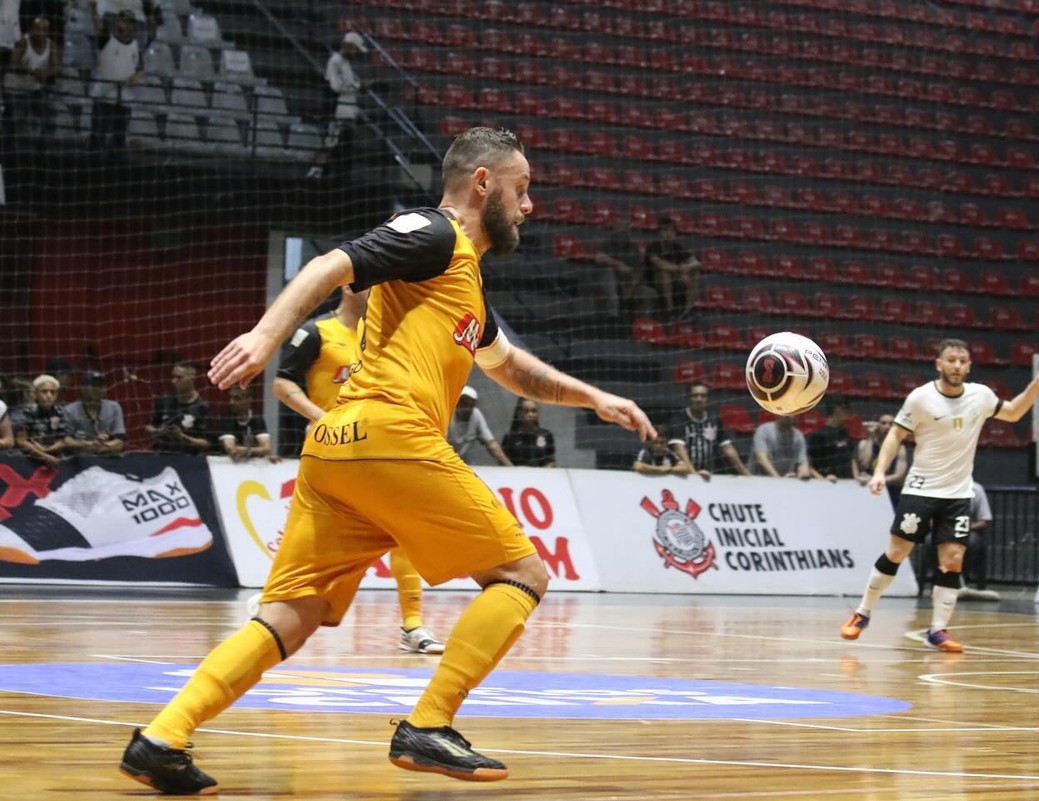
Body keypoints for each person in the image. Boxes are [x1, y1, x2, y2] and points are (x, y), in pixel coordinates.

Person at [118, 126, 655, 792]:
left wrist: (595, 397)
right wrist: (265, 333)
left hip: (336, 450)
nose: (529, 205)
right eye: (522, 188)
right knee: (522, 571)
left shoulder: (463, 282)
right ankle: (428, 723)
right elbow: (332, 264)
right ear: (482, 183)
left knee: (293, 613)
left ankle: (162, 736)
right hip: (392, 436)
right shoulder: (434, 233)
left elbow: (509, 367)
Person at [839, 339, 1039, 653]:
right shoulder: (921, 398)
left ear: (968, 367)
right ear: (939, 364)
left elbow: (1012, 413)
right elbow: (895, 435)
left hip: (957, 493)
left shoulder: (980, 396)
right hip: (920, 489)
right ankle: (863, 612)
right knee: (897, 552)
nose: (957, 365)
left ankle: (938, 630)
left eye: (962, 361)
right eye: (951, 360)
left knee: (953, 561)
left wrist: (1038, 383)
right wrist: (878, 472)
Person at [272, 285, 444, 655]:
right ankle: (276, 605)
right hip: (328, 454)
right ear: (349, 287)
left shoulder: (386, 336)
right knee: (306, 540)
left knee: (401, 532)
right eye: (372, 283)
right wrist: (320, 417)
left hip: (377, 451)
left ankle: (413, 624)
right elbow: (282, 382)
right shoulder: (316, 333)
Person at [310, 30, 369, 179]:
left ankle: (334, 176)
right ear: (349, 47)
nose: (356, 54)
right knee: (330, 143)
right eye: (355, 49)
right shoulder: (335, 61)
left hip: (346, 112)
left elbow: (347, 84)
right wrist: (358, 87)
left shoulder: (346, 63)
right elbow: (336, 86)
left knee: (343, 148)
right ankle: (316, 171)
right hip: (335, 111)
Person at [668, 383, 749, 479]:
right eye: (695, 395)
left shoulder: (714, 419)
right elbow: (679, 449)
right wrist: (694, 475)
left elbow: (728, 449)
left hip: (709, 475)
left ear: (708, 399)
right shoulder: (678, 418)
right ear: (688, 398)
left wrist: (747, 475)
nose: (699, 399)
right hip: (683, 477)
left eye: (703, 396)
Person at [87, 10, 141, 151]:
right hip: (104, 97)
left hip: (124, 99)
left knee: (118, 140)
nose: (127, 25)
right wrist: (93, 11)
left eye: (130, 23)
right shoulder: (107, 39)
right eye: (124, 21)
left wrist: (135, 79)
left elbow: (140, 69)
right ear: (117, 22)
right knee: (97, 137)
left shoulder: (135, 45)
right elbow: (99, 27)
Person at [4, 16, 60, 135]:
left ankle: (44, 147)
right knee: (17, 119)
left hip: (34, 90)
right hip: (16, 90)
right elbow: (13, 64)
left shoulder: (51, 45)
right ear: (31, 29)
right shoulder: (22, 43)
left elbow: (56, 66)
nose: (41, 32)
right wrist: (32, 71)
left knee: (50, 113)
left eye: (44, 29)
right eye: (38, 29)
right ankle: (12, 146)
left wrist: (46, 73)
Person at [145, 360, 210, 454]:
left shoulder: (202, 406)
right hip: (161, 456)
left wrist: (182, 437)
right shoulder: (164, 400)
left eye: (179, 378)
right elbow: (148, 427)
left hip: (189, 459)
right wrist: (160, 431)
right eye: (173, 377)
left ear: (192, 378)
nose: (174, 381)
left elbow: (206, 443)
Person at [590, 212, 648, 316]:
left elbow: (639, 269)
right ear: (615, 226)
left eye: (625, 225)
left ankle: (644, 325)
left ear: (629, 227)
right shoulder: (606, 244)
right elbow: (599, 258)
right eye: (620, 224)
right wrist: (619, 264)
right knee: (612, 289)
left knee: (649, 294)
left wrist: (632, 287)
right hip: (608, 279)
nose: (622, 228)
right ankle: (613, 318)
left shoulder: (634, 248)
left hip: (628, 281)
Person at [12, 374, 76, 466]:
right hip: (31, 457)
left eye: (52, 392)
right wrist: (43, 456)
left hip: (55, 454)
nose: (49, 395)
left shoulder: (61, 412)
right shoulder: (27, 412)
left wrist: (46, 450)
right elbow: (21, 441)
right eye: (44, 392)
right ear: (35, 394)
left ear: (56, 395)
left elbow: (64, 440)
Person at [643, 214, 700, 314]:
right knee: (664, 273)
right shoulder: (652, 247)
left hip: (675, 281)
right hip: (654, 283)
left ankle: (688, 310)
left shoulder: (677, 247)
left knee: (695, 272)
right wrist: (681, 270)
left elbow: (697, 263)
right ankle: (669, 310)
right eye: (665, 230)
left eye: (671, 230)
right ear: (659, 233)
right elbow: (661, 265)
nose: (669, 233)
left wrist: (686, 268)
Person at [62, 369, 125, 455]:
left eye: (101, 385)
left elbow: (119, 443)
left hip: (108, 458)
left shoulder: (114, 407)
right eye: (94, 385)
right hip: (79, 460)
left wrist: (98, 447)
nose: (98, 389)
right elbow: (66, 441)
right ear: (82, 388)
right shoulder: (69, 410)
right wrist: (90, 444)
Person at [447, 385, 512, 466]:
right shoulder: (447, 415)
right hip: (444, 463)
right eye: (464, 404)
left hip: (464, 464)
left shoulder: (476, 414)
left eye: (470, 405)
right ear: (456, 403)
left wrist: (509, 466)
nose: (467, 408)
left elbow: (491, 444)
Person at [855, 412, 908, 505]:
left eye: (891, 424)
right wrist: (870, 436)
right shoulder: (864, 444)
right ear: (877, 425)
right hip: (867, 489)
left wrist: (876, 480)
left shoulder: (900, 448)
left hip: (891, 491)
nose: (887, 427)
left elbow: (899, 475)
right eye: (883, 423)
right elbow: (864, 463)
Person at [215, 385, 278, 462]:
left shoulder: (257, 418)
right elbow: (232, 449)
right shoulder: (227, 418)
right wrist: (258, 451)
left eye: (237, 398)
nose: (231, 402)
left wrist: (246, 451)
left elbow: (267, 449)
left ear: (248, 399)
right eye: (231, 398)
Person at [958, 481, 997, 600]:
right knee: (930, 542)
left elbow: (985, 520)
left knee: (972, 543)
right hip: (943, 530)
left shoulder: (976, 489)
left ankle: (964, 575)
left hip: (967, 530)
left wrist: (968, 527)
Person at [749, 414, 816, 478]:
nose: (789, 416)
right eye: (786, 413)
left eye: (792, 413)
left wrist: (803, 472)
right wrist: (778, 479)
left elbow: (803, 462)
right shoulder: (763, 430)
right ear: (777, 414)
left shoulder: (798, 436)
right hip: (759, 480)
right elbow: (762, 459)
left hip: (786, 481)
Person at [807, 397, 856, 481]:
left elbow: (852, 459)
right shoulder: (819, 436)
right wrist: (824, 481)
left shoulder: (845, 432)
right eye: (846, 408)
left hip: (848, 484)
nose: (849, 413)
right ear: (837, 409)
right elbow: (810, 466)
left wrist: (857, 477)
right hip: (827, 485)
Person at [500, 397, 555, 467]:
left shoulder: (546, 435)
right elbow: (503, 461)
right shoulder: (510, 437)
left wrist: (543, 472)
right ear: (519, 414)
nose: (530, 415)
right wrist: (515, 472)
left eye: (534, 411)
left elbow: (551, 461)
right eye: (526, 411)